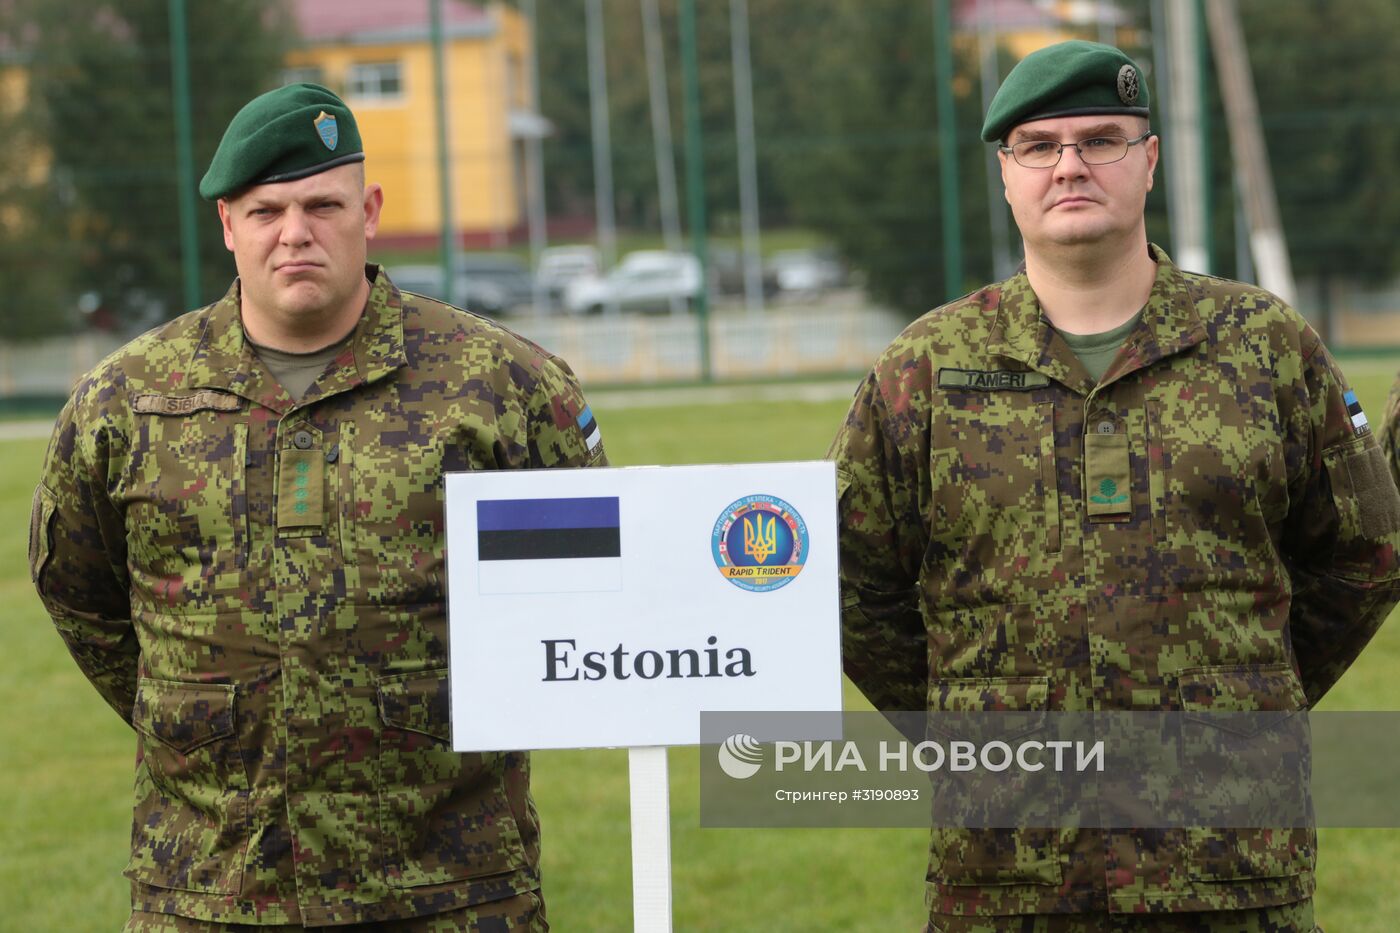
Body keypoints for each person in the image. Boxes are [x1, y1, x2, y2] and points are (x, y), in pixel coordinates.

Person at [829, 40, 1400, 931]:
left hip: (1231, 872)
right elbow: (846, 581)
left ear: (1151, 158)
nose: (1070, 166)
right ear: (1006, 175)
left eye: (1101, 138)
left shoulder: (1266, 346)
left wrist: (1243, 693)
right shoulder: (926, 369)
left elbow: (1365, 555)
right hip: (1009, 876)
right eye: (1039, 146)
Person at [29, 83, 604, 931]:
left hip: (450, 886)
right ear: (228, 226)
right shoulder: (127, 401)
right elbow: (78, 589)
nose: (294, 233)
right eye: (266, 211)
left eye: (321, 205)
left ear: (368, 210)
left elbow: (587, 582)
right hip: (210, 890)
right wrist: (200, 711)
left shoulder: (501, 386)